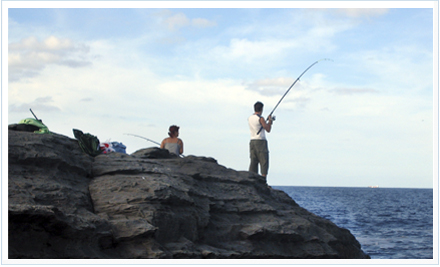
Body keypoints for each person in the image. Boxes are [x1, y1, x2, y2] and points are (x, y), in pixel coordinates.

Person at [248, 101, 274, 177]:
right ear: (261, 109)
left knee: (253, 161)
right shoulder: (261, 118)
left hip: (252, 141)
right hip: (261, 141)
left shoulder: (250, 118)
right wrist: (270, 122)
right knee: (264, 161)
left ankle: (251, 178)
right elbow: (268, 129)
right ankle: (263, 181)